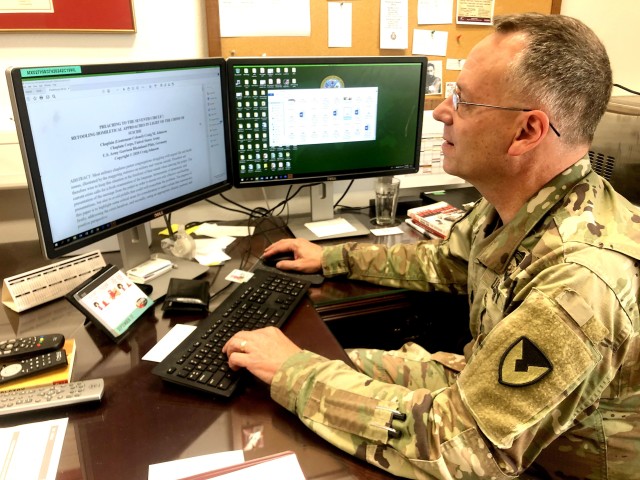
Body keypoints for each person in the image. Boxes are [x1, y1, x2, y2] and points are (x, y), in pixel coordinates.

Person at [223, 13, 640, 479]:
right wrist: (331, 256)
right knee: (321, 361)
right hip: (484, 400)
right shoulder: (519, 204)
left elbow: (462, 449)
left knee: (300, 384)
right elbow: (445, 262)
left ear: (527, 132)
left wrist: (293, 374)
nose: (441, 111)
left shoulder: (583, 281)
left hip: (550, 465)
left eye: (463, 101)